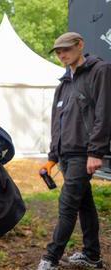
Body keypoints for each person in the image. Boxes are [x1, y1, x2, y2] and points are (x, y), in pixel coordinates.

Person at [38, 32, 111, 270]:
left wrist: (96, 151)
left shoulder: (100, 71)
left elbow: (104, 114)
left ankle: (50, 258)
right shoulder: (64, 83)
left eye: (66, 50)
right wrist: (51, 158)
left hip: (84, 152)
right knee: (84, 204)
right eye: (58, 52)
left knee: (67, 204)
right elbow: (56, 121)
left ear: (80, 45)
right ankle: (92, 256)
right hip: (65, 155)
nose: (61, 55)